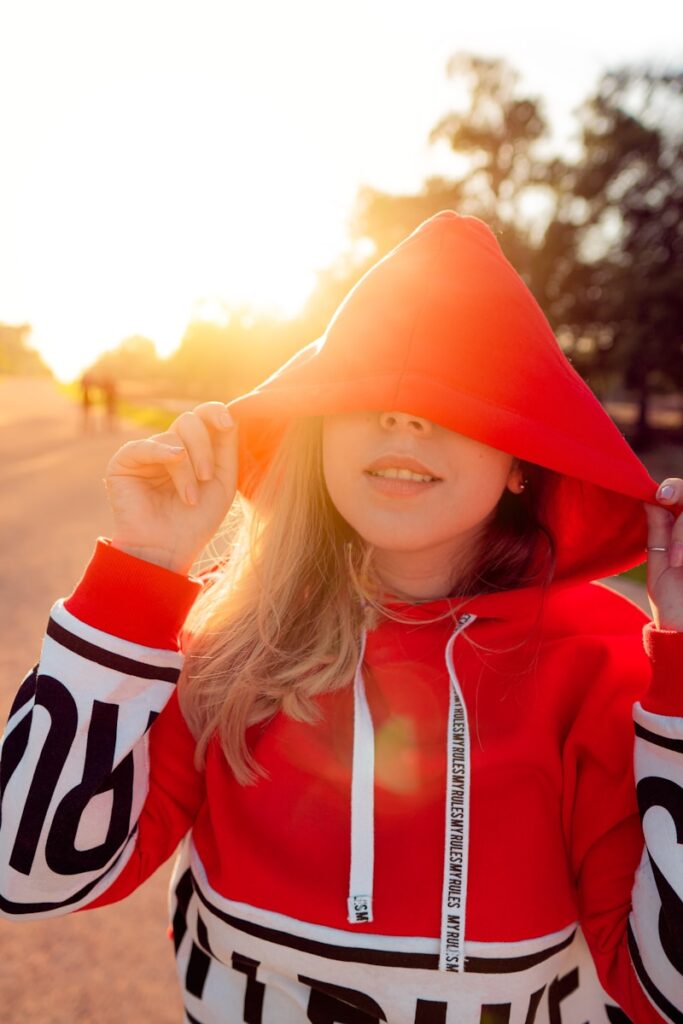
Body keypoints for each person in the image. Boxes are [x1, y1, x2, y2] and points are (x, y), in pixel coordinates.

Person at [0, 211, 681, 1024]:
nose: (402, 417)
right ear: (317, 432)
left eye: (456, 397)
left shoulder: (602, 659)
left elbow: (663, 987)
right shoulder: (226, 637)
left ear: (520, 464)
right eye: (366, 392)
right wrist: (139, 576)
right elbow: (26, 874)